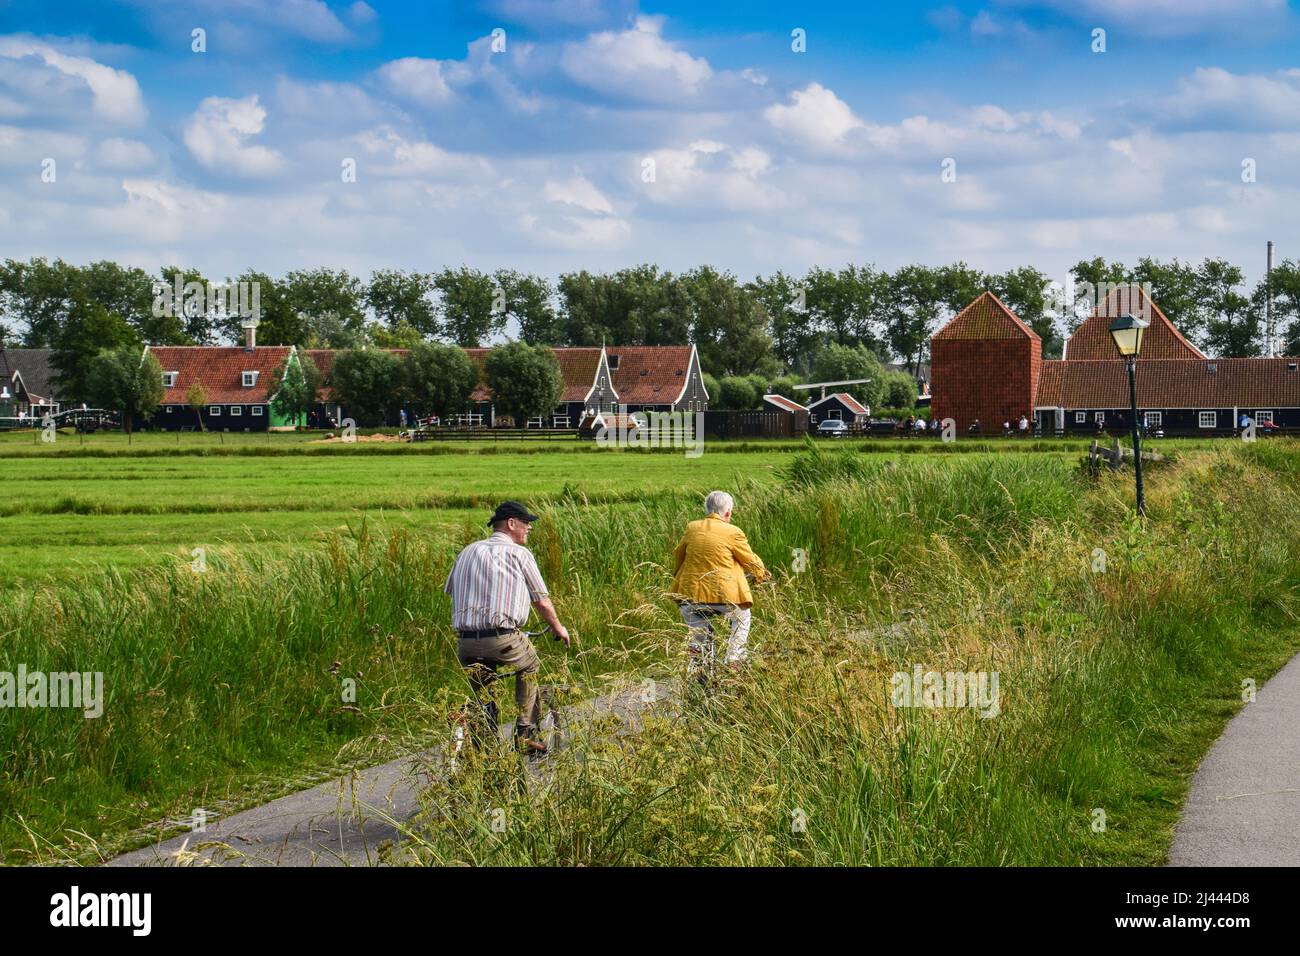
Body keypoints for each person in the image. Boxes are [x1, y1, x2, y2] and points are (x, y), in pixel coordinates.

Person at [444, 500, 570, 755]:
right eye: (526, 523)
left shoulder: (467, 551)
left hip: (465, 642)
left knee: (483, 689)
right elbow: (542, 601)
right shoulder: (519, 554)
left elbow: (451, 591)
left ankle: (482, 737)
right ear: (512, 524)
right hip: (503, 639)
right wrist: (558, 627)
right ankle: (525, 732)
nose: (529, 529)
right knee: (531, 665)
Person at [670, 491, 769, 688]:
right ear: (728, 513)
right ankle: (734, 660)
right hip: (725, 597)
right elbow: (750, 560)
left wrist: (680, 579)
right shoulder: (733, 531)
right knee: (742, 618)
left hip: (690, 596)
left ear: (707, 510)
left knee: (698, 633)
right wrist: (761, 575)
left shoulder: (692, 528)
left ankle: (699, 665)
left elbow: (679, 556)